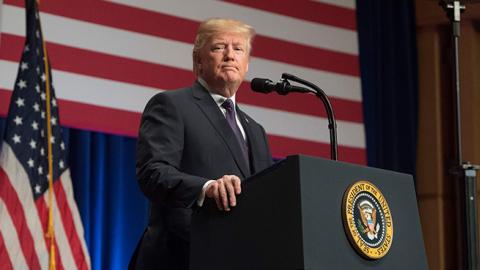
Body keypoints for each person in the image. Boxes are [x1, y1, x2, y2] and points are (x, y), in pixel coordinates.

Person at [129, 18, 273, 270]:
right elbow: (153, 172)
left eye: (238, 49)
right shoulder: (171, 105)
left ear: (247, 64)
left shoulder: (256, 131)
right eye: (219, 47)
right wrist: (205, 188)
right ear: (198, 60)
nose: (230, 55)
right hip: (182, 257)